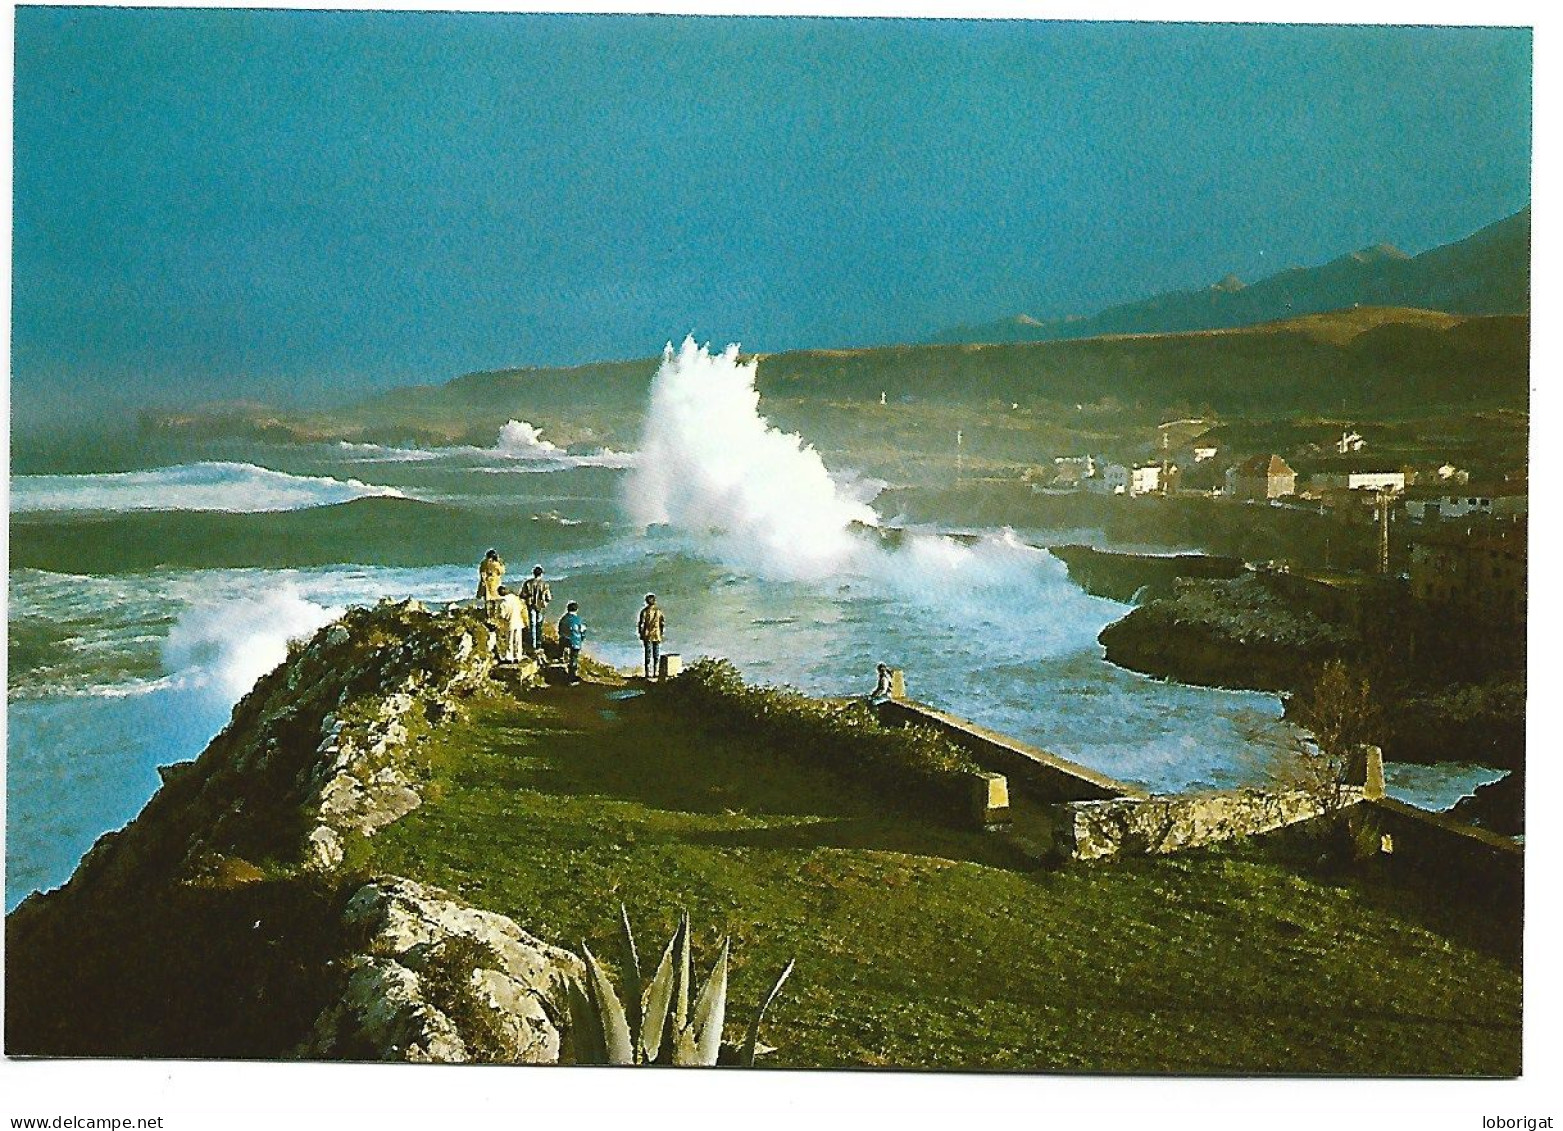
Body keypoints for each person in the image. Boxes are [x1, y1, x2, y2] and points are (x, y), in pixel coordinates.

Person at [519, 565, 552, 654]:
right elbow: (548, 597)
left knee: (532, 625)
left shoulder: (527, 583)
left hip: (530, 605)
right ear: (541, 574)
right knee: (539, 625)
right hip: (540, 606)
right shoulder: (544, 584)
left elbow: (522, 595)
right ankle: (538, 643)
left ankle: (533, 645)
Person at [637, 593, 666, 679]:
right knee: (656, 655)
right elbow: (662, 623)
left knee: (648, 654)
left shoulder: (644, 612)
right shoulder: (659, 611)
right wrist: (661, 633)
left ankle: (648, 673)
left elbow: (641, 624)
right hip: (656, 635)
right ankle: (655, 672)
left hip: (647, 635)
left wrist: (640, 633)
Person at [493, 585, 525, 663]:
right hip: (518, 621)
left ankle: (510, 657)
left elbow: (502, 615)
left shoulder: (503, 603)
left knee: (509, 641)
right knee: (518, 640)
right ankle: (518, 656)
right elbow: (521, 607)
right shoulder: (515, 598)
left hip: (510, 623)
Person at [557, 601, 587, 681]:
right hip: (575, 641)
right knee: (574, 658)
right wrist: (581, 639)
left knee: (564, 647)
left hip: (564, 640)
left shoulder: (563, 619)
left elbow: (559, 630)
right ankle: (572, 676)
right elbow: (583, 631)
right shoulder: (579, 620)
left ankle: (560, 657)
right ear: (576, 610)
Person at [476, 549, 505, 618]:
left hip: (486, 581)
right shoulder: (496, 563)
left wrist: (483, 581)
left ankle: (488, 615)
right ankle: (494, 615)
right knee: (495, 600)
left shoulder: (484, 562)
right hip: (495, 581)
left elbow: (481, 572)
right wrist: (500, 562)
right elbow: (502, 571)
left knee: (487, 599)